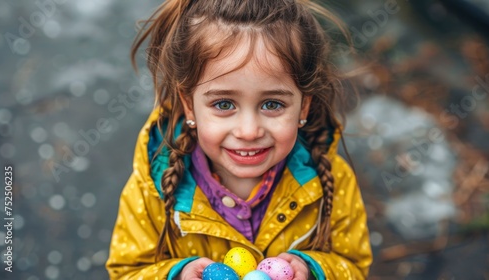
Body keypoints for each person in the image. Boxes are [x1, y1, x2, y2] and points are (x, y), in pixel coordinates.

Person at [106, 0, 372, 279]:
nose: (248, 131)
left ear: (303, 106)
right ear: (188, 105)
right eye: (223, 104)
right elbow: (127, 271)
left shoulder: (330, 178)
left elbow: (353, 264)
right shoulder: (153, 188)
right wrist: (177, 275)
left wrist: (314, 271)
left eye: (272, 104)